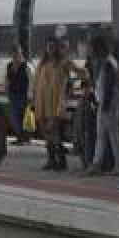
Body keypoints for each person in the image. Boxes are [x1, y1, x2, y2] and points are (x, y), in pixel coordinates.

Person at [31, 37, 84, 172]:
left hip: (56, 103)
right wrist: (33, 97)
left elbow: (82, 72)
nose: (50, 49)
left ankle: (61, 161)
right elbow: (36, 82)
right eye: (48, 47)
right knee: (46, 133)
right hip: (41, 102)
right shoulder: (42, 64)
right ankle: (51, 160)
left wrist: (72, 82)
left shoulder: (64, 62)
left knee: (54, 132)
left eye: (53, 47)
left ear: (57, 48)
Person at [87, 36, 119, 175]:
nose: (89, 50)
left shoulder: (108, 63)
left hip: (109, 104)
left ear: (97, 48)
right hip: (105, 103)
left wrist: (104, 105)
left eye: (91, 47)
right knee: (104, 134)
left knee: (111, 134)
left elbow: (109, 87)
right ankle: (97, 163)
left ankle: (117, 164)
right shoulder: (106, 62)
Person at [6, 47, 31, 145]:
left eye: (17, 54)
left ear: (21, 54)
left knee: (23, 117)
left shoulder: (26, 66)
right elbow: (7, 79)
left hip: (24, 95)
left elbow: (31, 81)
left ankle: (23, 138)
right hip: (13, 94)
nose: (15, 56)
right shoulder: (9, 66)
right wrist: (6, 90)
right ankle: (20, 136)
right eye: (14, 54)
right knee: (13, 116)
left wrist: (30, 95)